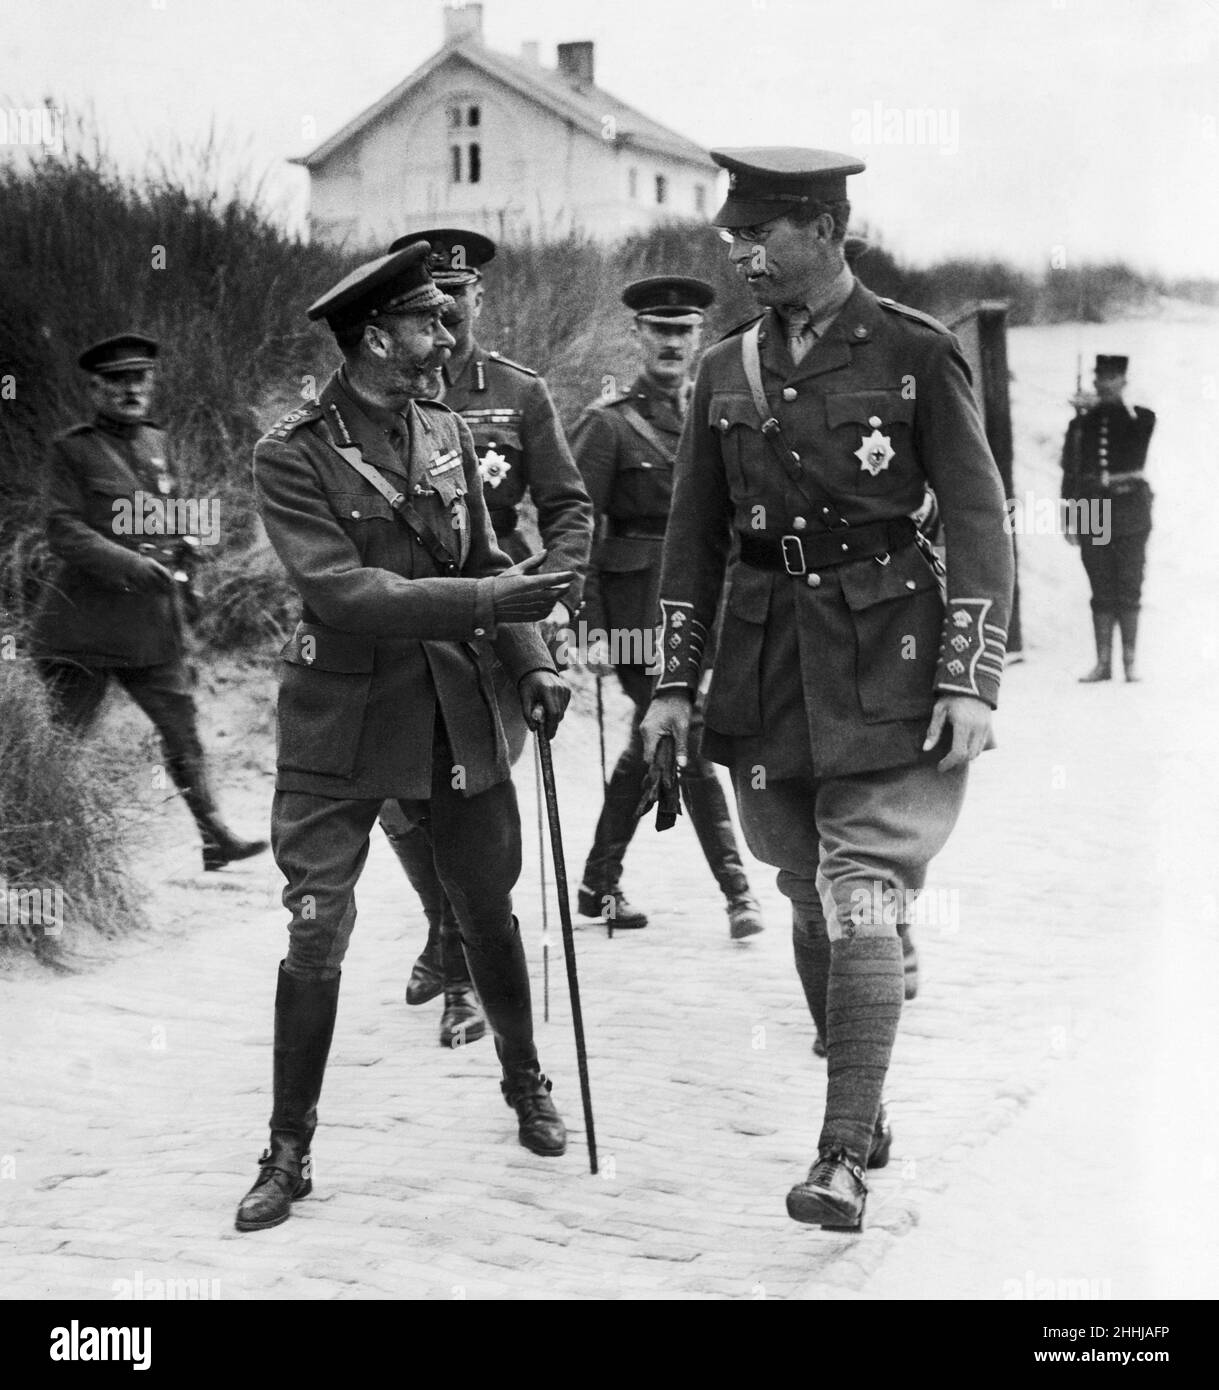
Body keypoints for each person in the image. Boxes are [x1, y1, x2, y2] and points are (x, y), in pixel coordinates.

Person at [640, 148, 1014, 1230]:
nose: (740, 255)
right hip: (764, 665)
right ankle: (866, 1084)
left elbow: (980, 521)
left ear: (824, 226)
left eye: (758, 236)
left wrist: (971, 678)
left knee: (859, 888)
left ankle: (841, 1150)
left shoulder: (912, 350)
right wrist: (672, 683)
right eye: (731, 239)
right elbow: (691, 539)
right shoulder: (722, 370)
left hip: (889, 651)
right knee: (805, 889)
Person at [236, 242, 576, 1232]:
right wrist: (486, 598)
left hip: (447, 713)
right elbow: (341, 592)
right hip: (339, 722)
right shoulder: (291, 451)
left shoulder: (444, 431)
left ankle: (525, 1079)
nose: (445, 337)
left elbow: (485, 556)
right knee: (314, 927)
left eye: (443, 317)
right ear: (376, 336)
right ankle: (288, 1149)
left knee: (485, 910)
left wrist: (535, 664)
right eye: (427, 322)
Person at [377, 228, 592, 1048]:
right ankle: (444, 930)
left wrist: (549, 592)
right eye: (427, 300)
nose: (445, 312)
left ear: (477, 299)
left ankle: (464, 983)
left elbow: (568, 506)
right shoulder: (383, 392)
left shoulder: (515, 392)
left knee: (472, 800)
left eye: (457, 296)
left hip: (492, 628)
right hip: (405, 631)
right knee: (401, 804)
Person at [30, 332, 267, 872]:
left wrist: (191, 581)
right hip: (82, 628)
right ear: (94, 388)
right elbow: (63, 530)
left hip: (150, 629)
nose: (130, 390)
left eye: (139, 379)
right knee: (62, 744)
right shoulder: (72, 450)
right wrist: (131, 564)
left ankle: (215, 835)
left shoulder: (159, 443)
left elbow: (173, 521)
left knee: (181, 728)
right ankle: (35, 847)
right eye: (117, 381)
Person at [572, 276, 763, 939]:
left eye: (683, 332)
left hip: (703, 608)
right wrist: (590, 626)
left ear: (699, 338)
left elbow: (735, 530)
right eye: (659, 331)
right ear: (638, 337)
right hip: (632, 616)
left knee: (655, 740)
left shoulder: (718, 415)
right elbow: (577, 531)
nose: (671, 344)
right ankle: (738, 894)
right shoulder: (606, 424)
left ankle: (599, 881)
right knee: (691, 733)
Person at [1061, 354, 1154, 682]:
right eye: (1100, 377)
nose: (1104, 383)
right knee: (1100, 584)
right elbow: (1070, 471)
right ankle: (1102, 664)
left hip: (1130, 508)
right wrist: (1069, 515)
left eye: (1112, 378)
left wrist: (1099, 406)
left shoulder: (1138, 415)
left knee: (1129, 584)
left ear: (1124, 382)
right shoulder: (1080, 423)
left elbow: (1137, 425)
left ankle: (1129, 663)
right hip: (1091, 508)